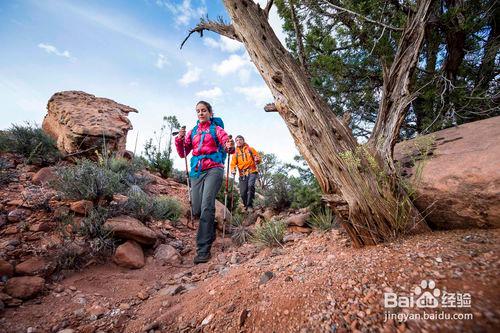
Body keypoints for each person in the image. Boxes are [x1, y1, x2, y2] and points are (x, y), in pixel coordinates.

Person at [175, 101, 234, 264]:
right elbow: (183, 152)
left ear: (210, 113)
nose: (200, 113)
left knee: (207, 205)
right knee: (196, 208)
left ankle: (203, 250)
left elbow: (226, 143)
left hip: (214, 168)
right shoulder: (193, 131)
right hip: (197, 170)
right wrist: (180, 139)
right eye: (198, 111)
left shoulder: (217, 129)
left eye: (203, 110)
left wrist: (229, 145)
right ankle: (210, 231)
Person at [230, 135, 261, 212]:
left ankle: (250, 205)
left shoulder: (250, 149)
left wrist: (257, 160)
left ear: (243, 140)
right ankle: (246, 206)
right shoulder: (235, 153)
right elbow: (233, 163)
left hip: (252, 171)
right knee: (243, 193)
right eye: (237, 140)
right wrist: (233, 169)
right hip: (242, 174)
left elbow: (258, 158)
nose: (239, 141)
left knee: (250, 186)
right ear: (236, 142)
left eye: (240, 139)